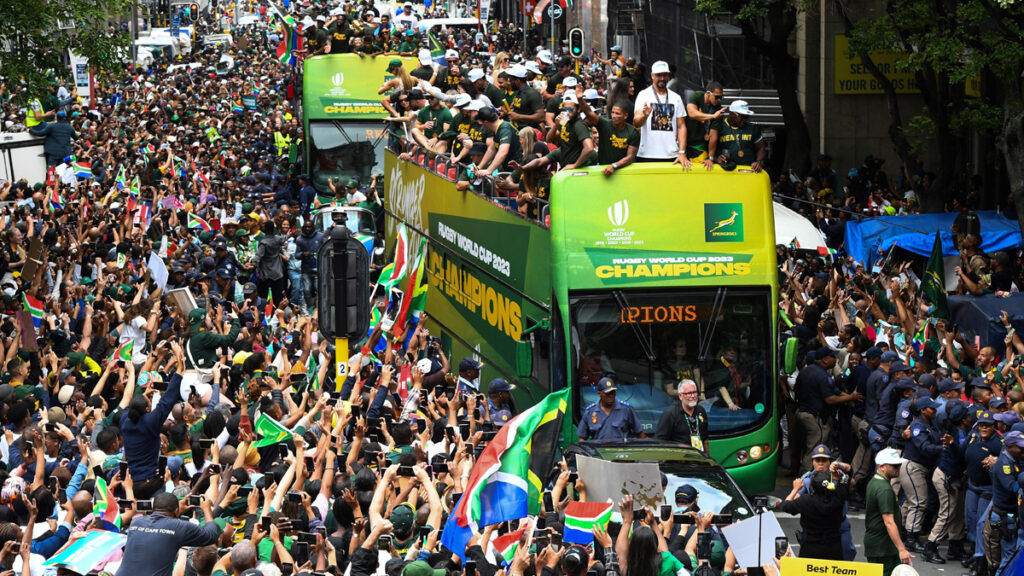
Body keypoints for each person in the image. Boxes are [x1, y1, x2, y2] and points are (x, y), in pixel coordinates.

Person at [115, 493, 220, 576]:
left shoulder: (136, 522)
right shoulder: (180, 527)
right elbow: (211, 535)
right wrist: (206, 509)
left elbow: (161, 527)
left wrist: (177, 513)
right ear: (175, 511)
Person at [902, 396, 950, 559]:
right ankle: (911, 537)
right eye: (931, 408)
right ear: (923, 410)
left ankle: (903, 529)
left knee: (912, 502)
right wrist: (941, 448)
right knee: (918, 502)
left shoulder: (930, 424)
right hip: (914, 466)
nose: (935, 410)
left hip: (922, 468)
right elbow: (924, 447)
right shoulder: (917, 426)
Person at [777, 464, 850, 560]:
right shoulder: (838, 497)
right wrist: (837, 476)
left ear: (812, 487)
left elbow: (784, 506)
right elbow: (847, 475)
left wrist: (795, 489)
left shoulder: (805, 501)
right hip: (834, 550)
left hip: (810, 549)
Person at [963, 411, 1001, 575]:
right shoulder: (973, 435)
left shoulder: (999, 443)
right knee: (970, 520)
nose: (984, 428)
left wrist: (996, 462)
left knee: (981, 524)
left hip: (987, 488)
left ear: (994, 426)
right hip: (972, 485)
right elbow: (962, 451)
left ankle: (981, 562)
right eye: (982, 424)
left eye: (988, 425)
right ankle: (974, 554)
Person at [632, 61, 690, 169]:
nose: (662, 78)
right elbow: (636, 123)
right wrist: (645, 115)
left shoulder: (676, 98)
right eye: (659, 75)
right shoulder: (643, 95)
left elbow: (681, 126)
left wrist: (682, 152)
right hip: (646, 155)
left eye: (665, 75)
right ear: (652, 76)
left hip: (671, 155)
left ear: (669, 75)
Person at [864, 448, 913, 574]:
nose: (898, 467)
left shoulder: (874, 482)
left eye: (898, 464)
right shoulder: (884, 490)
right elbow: (889, 522)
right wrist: (902, 549)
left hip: (881, 546)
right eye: (894, 465)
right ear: (882, 467)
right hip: (883, 548)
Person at [984, 429, 1024, 574]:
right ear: (1009, 446)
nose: (1022, 449)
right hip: (1004, 516)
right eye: (1020, 447)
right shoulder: (1004, 464)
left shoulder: (1016, 460)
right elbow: (1011, 486)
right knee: (1009, 557)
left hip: (1010, 514)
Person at [579, 96, 639, 176]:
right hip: (603, 170)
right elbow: (589, 112)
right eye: (612, 112)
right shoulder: (605, 124)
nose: (614, 116)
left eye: (617, 113)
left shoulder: (632, 132)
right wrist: (580, 99)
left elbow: (630, 157)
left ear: (625, 116)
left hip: (622, 172)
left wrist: (614, 166)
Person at [706, 100, 766, 172]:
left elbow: (761, 148)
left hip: (747, 171)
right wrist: (716, 159)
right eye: (742, 116)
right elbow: (708, 150)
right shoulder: (719, 127)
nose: (745, 119)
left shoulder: (752, 128)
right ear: (732, 114)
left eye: (747, 116)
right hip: (726, 171)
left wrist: (758, 162)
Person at [654, 379, 709, 454]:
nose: (692, 396)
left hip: (699, 459)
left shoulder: (701, 411)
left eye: (694, 392)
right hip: (680, 463)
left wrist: (707, 460)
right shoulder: (670, 414)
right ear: (680, 396)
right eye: (689, 393)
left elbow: (705, 439)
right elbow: (659, 443)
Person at [683, 82, 726, 162]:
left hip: (699, 146)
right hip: (684, 142)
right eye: (717, 97)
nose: (719, 100)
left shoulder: (718, 109)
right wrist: (712, 116)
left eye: (721, 97)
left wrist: (711, 158)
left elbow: (713, 135)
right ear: (708, 93)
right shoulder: (696, 96)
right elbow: (692, 113)